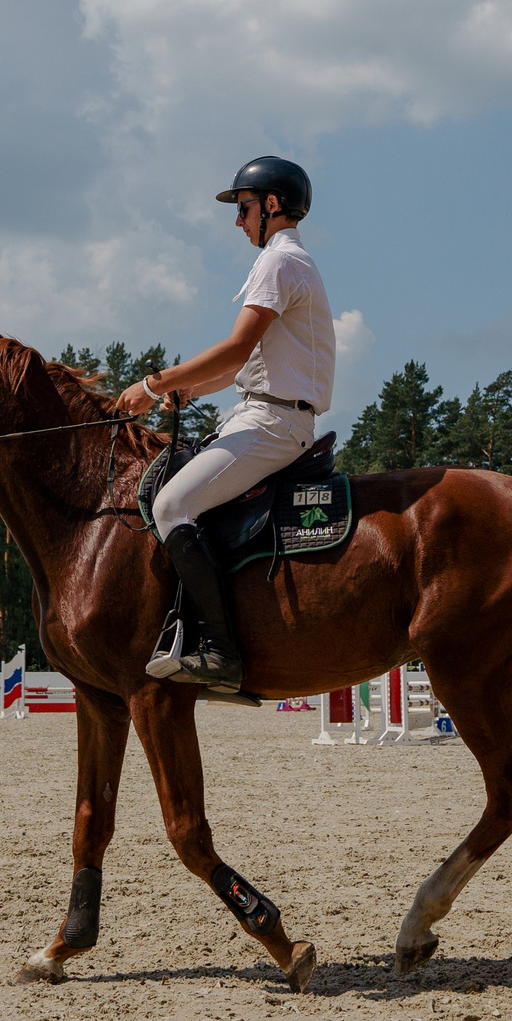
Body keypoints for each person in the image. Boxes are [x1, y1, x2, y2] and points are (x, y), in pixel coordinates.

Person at [120, 156, 335, 691]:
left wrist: (155, 385)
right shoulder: (288, 262)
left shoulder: (279, 261)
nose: (237, 221)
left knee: (172, 504)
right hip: (265, 412)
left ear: (271, 205)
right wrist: (190, 389)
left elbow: (235, 348)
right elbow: (243, 367)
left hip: (273, 422)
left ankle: (220, 652)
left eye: (242, 209)